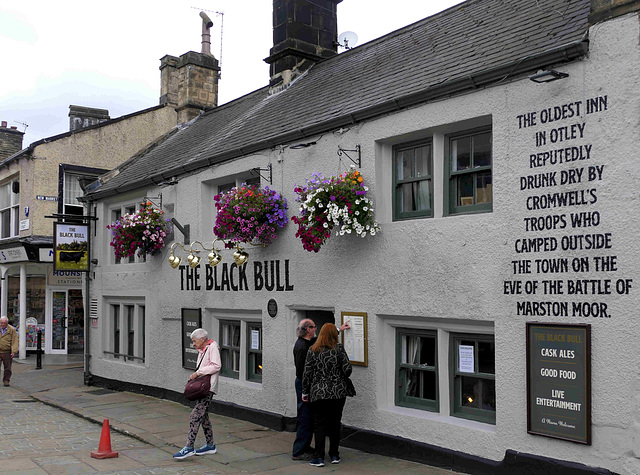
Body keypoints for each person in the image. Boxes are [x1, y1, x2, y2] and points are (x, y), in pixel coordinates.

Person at [292, 319, 350, 461]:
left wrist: (339, 329)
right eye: (313, 327)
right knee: (311, 420)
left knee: (319, 423)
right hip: (333, 391)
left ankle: (318, 456)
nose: (315, 329)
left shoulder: (312, 347)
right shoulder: (303, 347)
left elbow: (307, 372)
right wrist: (306, 391)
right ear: (307, 330)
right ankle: (305, 451)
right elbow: (302, 373)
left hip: (318, 391)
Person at [174, 328, 221, 460]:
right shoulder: (202, 350)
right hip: (203, 387)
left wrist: (198, 373)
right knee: (203, 416)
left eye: (194, 341)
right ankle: (210, 445)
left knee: (195, 415)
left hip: (207, 388)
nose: (193, 344)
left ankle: (189, 447)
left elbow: (216, 365)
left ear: (202, 339)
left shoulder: (212, 347)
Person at [0, 316, 19, 387]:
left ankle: (6, 380)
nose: (2, 325)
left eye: (4, 323)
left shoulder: (12, 330)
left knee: (7, 368)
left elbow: (14, 341)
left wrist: (14, 351)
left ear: (7, 323)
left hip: (7, 351)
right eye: (1, 323)